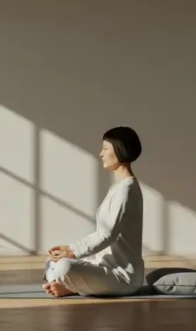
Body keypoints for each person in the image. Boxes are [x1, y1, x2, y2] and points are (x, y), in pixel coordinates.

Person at [43, 126, 144, 298]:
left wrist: (73, 251)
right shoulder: (119, 187)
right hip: (104, 265)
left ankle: (71, 287)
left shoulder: (126, 190)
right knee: (52, 261)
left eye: (105, 148)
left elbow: (107, 234)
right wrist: (69, 249)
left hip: (123, 277)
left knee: (63, 267)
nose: (101, 154)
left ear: (120, 150)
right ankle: (71, 284)